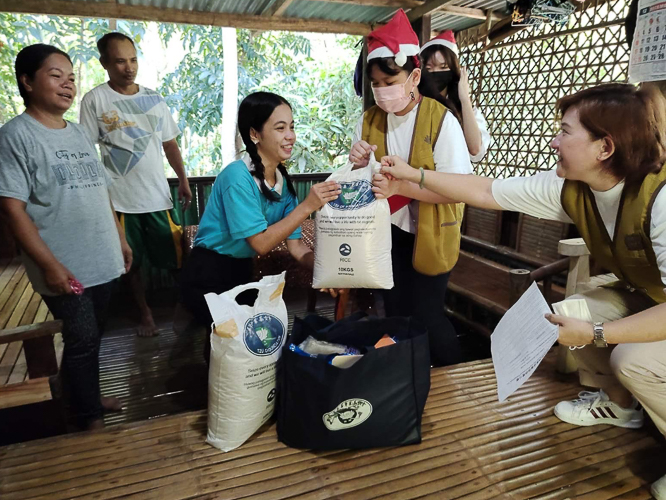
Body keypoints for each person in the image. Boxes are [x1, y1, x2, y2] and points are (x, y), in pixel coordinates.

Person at [376, 82, 666, 498]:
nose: (553, 141)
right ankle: (621, 408)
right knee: (578, 310)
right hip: (651, 296)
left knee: (630, 356)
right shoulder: (572, 186)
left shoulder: (661, 199)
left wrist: (599, 335)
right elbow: (484, 190)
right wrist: (410, 176)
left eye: (565, 132)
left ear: (605, 148)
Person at [0, 44, 133, 430]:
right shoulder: (15, 136)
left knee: (93, 338)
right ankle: (87, 416)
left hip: (103, 255)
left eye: (71, 77)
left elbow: (100, 190)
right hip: (64, 265)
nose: (67, 84)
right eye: (55, 75)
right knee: (82, 338)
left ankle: (85, 396)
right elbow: (12, 208)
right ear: (27, 81)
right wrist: (50, 266)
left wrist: (120, 240)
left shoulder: (76, 133)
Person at [348, 9, 472, 367]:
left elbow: (458, 189)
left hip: (432, 232)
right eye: (376, 84)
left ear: (414, 76)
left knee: (428, 315)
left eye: (390, 82)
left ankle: (454, 376)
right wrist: (357, 164)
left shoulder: (441, 120)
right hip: (386, 234)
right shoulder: (369, 120)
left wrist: (403, 185)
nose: (382, 92)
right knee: (396, 311)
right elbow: (360, 183)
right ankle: (409, 375)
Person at [179, 91, 340, 329]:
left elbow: (296, 248)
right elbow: (261, 244)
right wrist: (308, 206)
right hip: (208, 271)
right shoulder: (237, 176)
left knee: (244, 345)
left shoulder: (282, 185)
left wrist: (326, 271)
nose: (291, 136)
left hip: (241, 269)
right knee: (225, 345)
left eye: (292, 127)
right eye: (280, 128)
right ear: (255, 134)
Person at [80, 32, 192, 337]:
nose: (129, 67)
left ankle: (190, 311)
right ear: (104, 63)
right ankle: (145, 315)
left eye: (133, 59)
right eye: (119, 61)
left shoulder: (154, 98)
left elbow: (170, 145)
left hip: (157, 197)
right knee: (131, 265)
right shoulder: (95, 100)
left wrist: (182, 181)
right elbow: (87, 151)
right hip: (119, 201)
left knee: (177, 259)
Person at [420, 31, 491, 162]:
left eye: (443, 67)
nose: (436, 73)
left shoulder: (466, 110)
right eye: (429, 68)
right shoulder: (415, 106)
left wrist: (465, 100)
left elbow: (475, 151)